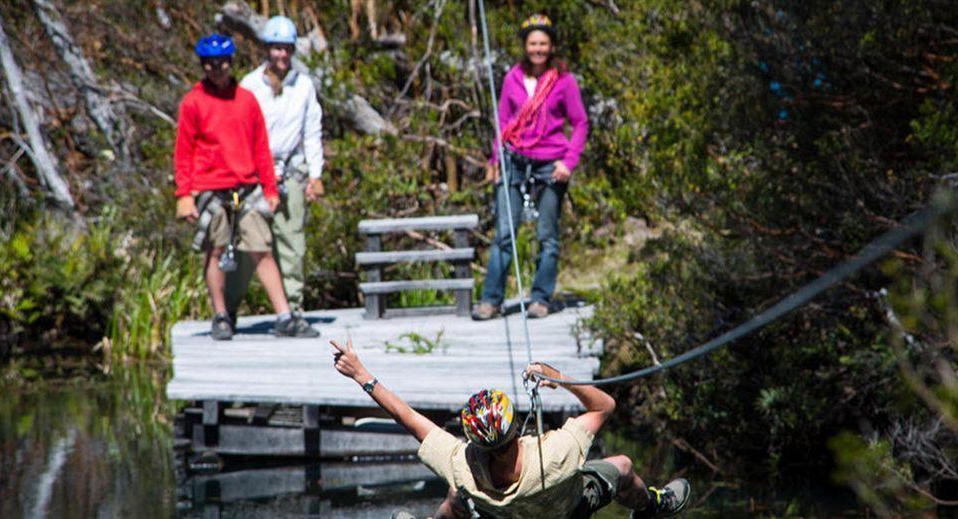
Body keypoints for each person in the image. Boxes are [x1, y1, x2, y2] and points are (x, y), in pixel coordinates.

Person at [330, 338, 691, 518]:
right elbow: (605, 406)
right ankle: (654, 506)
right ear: (515, 428)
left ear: (474, 440)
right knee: (624, 466)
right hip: (568, 510)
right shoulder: (554, 453)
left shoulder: (462, 465)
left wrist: (361, 375)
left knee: (457, 500)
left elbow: (408, 417)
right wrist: (557, 378)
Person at [174, 33, 299, 340]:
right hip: (210, 188)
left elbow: (261, 148)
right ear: (204, 66)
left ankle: (285, 316)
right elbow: (183, 151)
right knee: (215, 250)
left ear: (231, 63)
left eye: (224, 63)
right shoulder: (193, 102)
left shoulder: (246, 99)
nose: (218, 69)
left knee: (262, 249)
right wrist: (184, 195)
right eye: (212, 64)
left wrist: (269, 189)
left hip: (246, 186)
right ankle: (221, 316)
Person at [473, 14, 589, 321]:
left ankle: (540, 298)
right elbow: (504, 122)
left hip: (551, 162)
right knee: (503, 233)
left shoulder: (564, 81)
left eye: (543, 43)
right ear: (525, 46)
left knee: (546, 234)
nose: (538, 49)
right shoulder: (512, 78)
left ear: (551, 47)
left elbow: (580, 123)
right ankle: (491, 300)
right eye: (533, 43)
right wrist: (495, 161)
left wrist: (569, 162)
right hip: (514, 159)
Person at [223, 16, 323, 338]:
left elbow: (312, 131)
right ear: (266, 49)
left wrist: (315, 174)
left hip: (290, 171)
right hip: (252, 178)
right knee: (245, 247)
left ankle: (292, 311)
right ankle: (227, 312)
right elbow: (236, 134)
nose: (281, 55)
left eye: (286, 49)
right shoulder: (249, 86)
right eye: (276, 48)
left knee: (293, 244)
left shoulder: (304, 85)